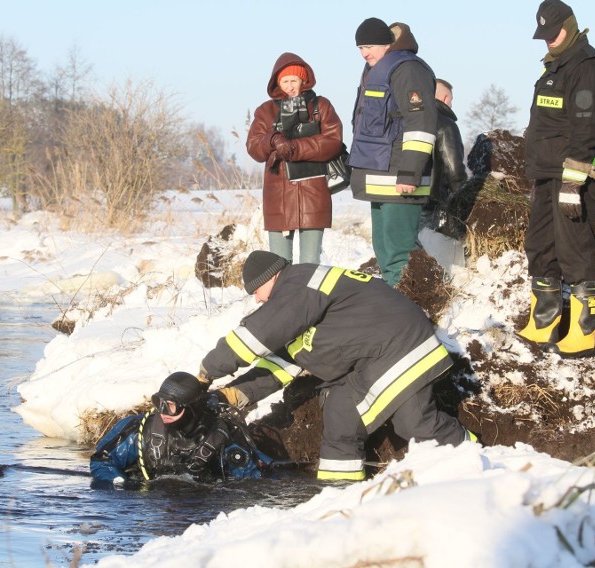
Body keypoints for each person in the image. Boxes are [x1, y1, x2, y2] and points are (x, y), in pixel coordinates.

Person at [197, 250, 476, 482]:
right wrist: (234, 393)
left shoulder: (298, 285)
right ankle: (339, 502)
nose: (257, 299)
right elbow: (283, 361)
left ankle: (481, 462)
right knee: (340, 425)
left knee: (416, 424)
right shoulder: (299, 302)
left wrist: (205, 373)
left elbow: (255, 336)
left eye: (256, 291)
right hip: (364, 362)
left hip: (400, 347)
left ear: (271, 277)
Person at [518, 0, 595, 358]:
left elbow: (586, 131)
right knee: (541, 246)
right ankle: (544, 323)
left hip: (574, 176)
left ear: (570, 26)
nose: (548, 41)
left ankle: (584, 334)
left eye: (553, 33)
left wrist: (574, 184)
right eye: (543, 35)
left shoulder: (586, 67)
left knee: (575, 248)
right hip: (546, 174)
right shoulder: (555, 66)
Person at [349, 19, 437, 287]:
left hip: (401, 178)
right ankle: (397, 308)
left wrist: (410, 172)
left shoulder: (407, 70)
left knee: (400, 255)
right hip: (381, 178)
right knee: (386, 251)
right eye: (360, 47)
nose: (365, 52)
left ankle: (413, 312)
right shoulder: (376, 71)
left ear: (388, 44)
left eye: (370, 45)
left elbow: (420, 123)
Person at [89, 372, 271, 487]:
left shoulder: (222, 438)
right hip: (153, 509)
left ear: (191, 408)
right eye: (159, 403)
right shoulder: (138, 430)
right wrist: (121, 485)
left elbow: (250, 484)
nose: (163, 412)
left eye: (170, 406)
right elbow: (102, 460)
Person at [246, 53, 343, 264]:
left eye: (294, 80)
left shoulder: (321, 106)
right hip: (278, 197)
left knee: (310, 263)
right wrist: (273, 139)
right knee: (278, 264)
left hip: (314, 193)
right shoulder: (265, 111)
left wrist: (294, 148)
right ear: (277, 82)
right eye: (285, 81)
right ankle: (283, 297)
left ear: (303, 80)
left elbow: (333, 142)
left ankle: (307, 297)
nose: (290, 86)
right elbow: (254, 147)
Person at [422, 78, 468, 230]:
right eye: (451, 99)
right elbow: (454, 168)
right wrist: (464, 197)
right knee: (423, 246)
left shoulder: (411, 119)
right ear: (445, 98)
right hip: (430, 199)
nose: (451, 105)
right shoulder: (446, 124)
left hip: (404, 194)